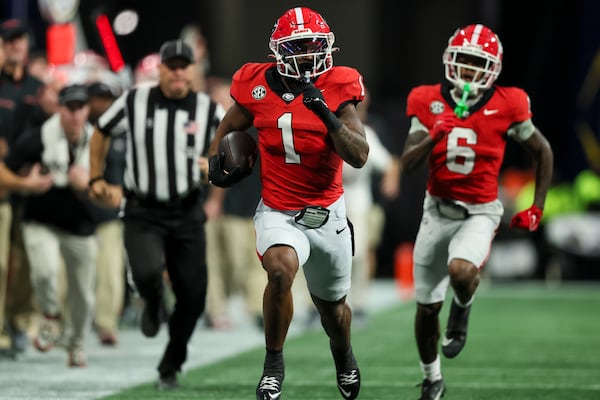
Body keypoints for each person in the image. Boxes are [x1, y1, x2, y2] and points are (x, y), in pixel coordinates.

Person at [207, 7, 369, 400]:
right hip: (279, 209)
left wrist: (325, 114)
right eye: (298, 47)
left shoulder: (338, 85)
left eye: (314, 46)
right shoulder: (255, 84)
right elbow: (229, 126)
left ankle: (343, 353)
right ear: (279, 51)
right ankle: (273, 363)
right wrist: (216, 165)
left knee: (334, 312)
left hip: (327, 213)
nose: (308, 55)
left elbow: (359, 154)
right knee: (280, 270)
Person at [399, 24, 554, 399]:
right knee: (425, 309)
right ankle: (432, 378)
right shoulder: (426, 99)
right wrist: (434, 136)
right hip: (436, 211)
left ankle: (464, 306)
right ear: (450, 60)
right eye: (464, 60)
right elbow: (406, 165)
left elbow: (542, 151)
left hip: (480, 211)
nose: (468, 69)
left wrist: (537, 206)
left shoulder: (508, 102)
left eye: (476, 62)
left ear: (493, 68)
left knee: (461, 270)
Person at [89, 39, 225, 390]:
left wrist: (214, 167)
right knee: (148, 272)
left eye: (184, 66)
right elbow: (101, 130)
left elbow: (232, 148)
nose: (178, 72)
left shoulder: (209, 109)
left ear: (193, 71)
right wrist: (95, 175)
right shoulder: (135, 99)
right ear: (161, 69)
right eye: (172, 66)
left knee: (194, 295)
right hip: (142, 209)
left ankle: (171, 361)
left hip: (186, 210)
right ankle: (150, 300)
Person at [1, 84, 99, 367]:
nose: (74, 114)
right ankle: (50, 315)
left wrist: (89, 188)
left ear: (87, 110)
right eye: (69, 107)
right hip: (40, 219)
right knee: (45, 271)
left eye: (80, 107)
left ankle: (77, 343)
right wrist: (25, 183)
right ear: (59, 109)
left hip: (81, 224)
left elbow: (114, 191)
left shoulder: (97, 143)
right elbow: (4, 167)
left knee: (84, 294)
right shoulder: (38, 138)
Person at [86, 81, 126, 346]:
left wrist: (121, 193)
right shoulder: (80, 129)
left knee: (110, 269)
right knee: (70, 274)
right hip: (79, 211)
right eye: (98, 99)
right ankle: (66, 323)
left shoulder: (124, 133)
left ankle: (106, 322)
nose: (102, 104)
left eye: (107, 99)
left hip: (110, 213)